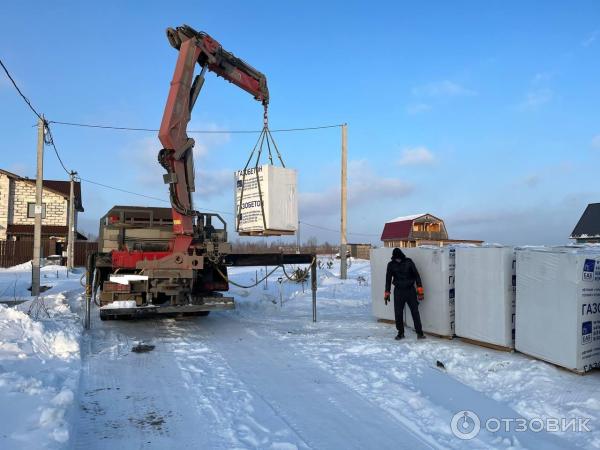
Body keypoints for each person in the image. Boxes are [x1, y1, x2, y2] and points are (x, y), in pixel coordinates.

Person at [384, 248, 425, 340]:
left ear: (402, 256)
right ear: (393, 258)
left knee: (415, 312)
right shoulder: (390, 265)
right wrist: (387, 292)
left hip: (410, 291)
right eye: (396, 258)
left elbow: (417, 276)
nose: (398, 259)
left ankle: (420, 333)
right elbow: (388, 279)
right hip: (398, 291)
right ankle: (400, 333)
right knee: (398, 313)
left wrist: (420, 291)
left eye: (399, 258)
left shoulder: (409, 262)